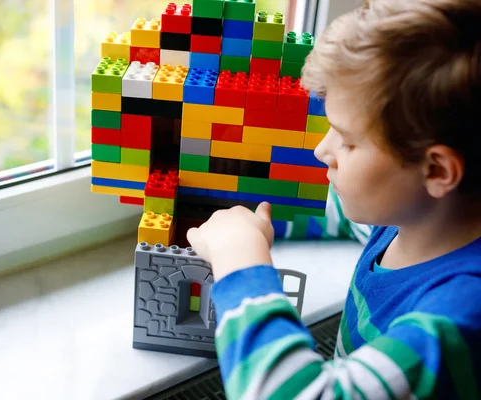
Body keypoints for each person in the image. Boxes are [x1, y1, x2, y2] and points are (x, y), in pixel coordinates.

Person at [186, 0, 481, 398]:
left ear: (436, 171)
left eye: (347, 140)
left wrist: (240, 258)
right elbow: (336, 214)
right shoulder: (407, 221)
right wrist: (249, 219)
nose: (322, 151)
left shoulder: (456, 317)